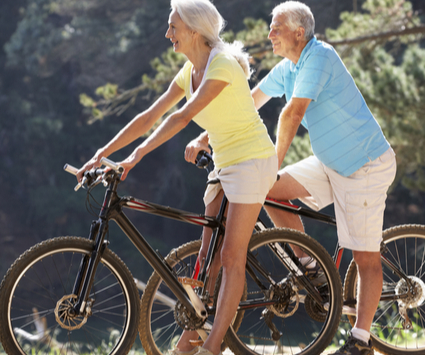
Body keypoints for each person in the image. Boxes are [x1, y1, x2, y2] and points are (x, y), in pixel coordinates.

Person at [76, 1, 277, 355]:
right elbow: (149, 115)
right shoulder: (188, 71)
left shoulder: (223, 65)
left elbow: (182, 118)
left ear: (195, 31)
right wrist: (100, 154)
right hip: (224, 163)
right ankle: (190, 341)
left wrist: (134, 158)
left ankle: (212, 347)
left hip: (252, 161)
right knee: (206, 257)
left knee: (230, 257)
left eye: (173, 27)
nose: (167, 33)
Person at [251, 2, 397, 355]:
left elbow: (292, 112)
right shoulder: (290, 66)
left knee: (365, 259)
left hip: (364, 165)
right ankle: (312, 268)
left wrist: (274, 159)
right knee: (265, 189)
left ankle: (361, 341)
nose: (269, 35)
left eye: (276, 29)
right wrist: (204, 138)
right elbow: (249, 101)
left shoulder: (319, 57)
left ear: (298, 33)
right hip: (331, 162)